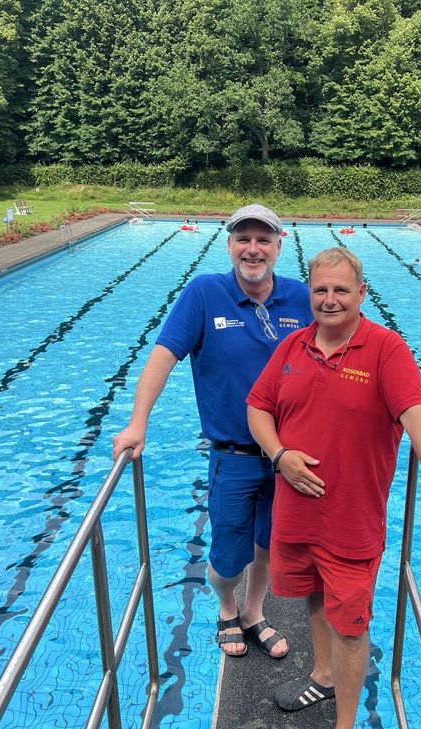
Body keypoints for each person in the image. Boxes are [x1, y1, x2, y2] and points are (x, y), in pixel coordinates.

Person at [246, 247, 421, 728]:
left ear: (362, 294)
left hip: (350, 522)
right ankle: (322, 677)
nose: (330, 300)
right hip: (297, 515)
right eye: (321, 290)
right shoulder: (292, 346)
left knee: (350, 626)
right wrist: (280, 455)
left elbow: (416, 415)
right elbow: (258, 407)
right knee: (313, 596)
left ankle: (344, 724)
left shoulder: (386, 348)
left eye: (341, 290)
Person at [113, 203, 312, 660]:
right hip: (234, 456)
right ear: (230, 246)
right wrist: (138, 422)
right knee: (227, 557)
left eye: (263, 240)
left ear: (279, 246)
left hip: (288, 456)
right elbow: (164, 355)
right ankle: (226, 606)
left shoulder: (300, 298)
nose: (253, 249)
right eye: (244, 239)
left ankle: (254, 612)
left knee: (268, 547)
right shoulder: (205, 294)